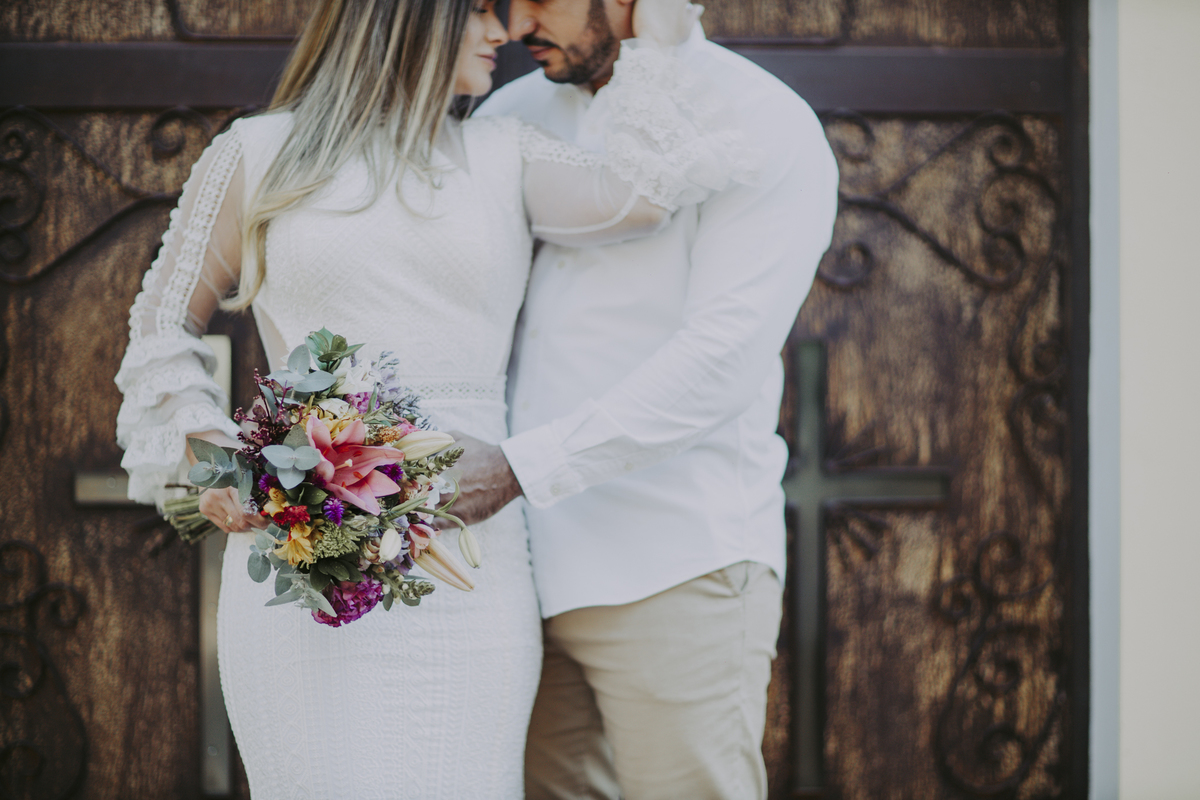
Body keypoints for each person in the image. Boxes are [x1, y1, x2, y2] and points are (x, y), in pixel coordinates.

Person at [112, 0, 751, 797]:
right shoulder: (257, 153)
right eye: (483, 13)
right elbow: (161, 328)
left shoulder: (504, 155)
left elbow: (647, 191)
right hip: (301, 562)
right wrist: (219, 456)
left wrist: (659, 27)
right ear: (409, 18)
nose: (503, 34)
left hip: (467, 560)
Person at [446, 1, 840, 798]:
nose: (517, 23)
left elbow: (718, 360)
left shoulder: (760, 119)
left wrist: (522, 468)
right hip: (513, 572)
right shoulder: (512, 112)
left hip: (678, 561)